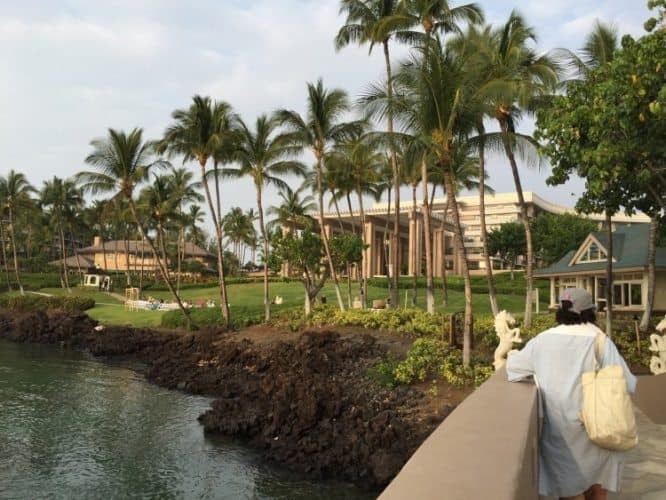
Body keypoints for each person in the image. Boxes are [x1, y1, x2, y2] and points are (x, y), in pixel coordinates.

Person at [506, 288, 636, 500]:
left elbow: (514, 370)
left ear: (560, 310)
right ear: (590, 311)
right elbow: (628, 384)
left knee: (569, 492)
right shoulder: (599, 340)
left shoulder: (542, 340)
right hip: (599, 428)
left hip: (560, 434)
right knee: (598, 488)